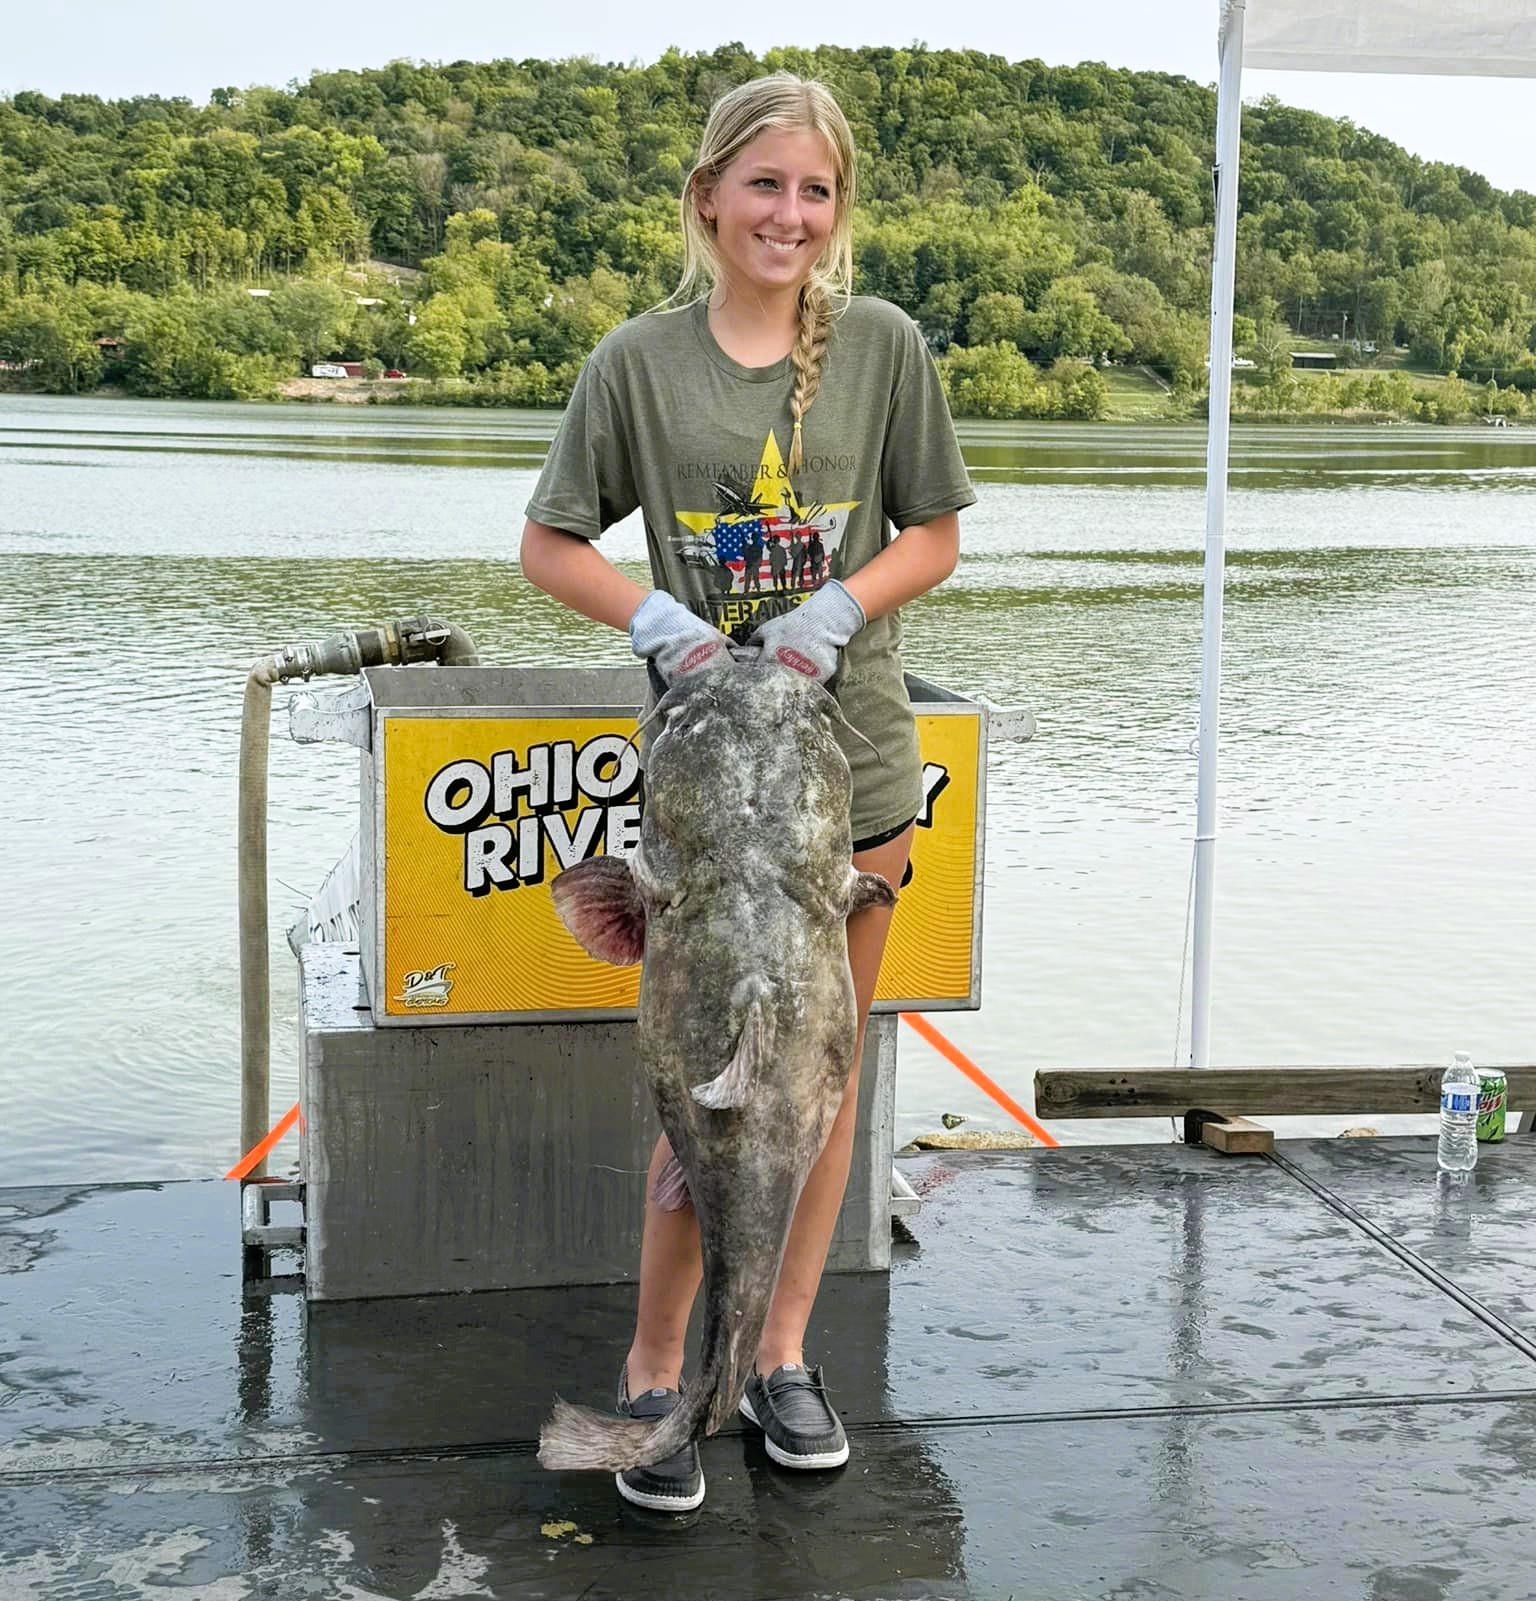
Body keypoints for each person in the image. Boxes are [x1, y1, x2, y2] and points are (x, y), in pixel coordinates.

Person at [520, 70, 975, 1514]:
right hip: (704, 810)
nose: (791, 214)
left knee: (820, 1089)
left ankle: (778, 1352)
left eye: (816, 191)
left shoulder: (886, 348)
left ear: (838, 212)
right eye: (765, 185)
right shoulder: (636, 364)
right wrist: (654, 617)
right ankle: (660, 1368)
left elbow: (939, 532)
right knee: (701, 1099)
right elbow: (549, 546)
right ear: (708, 195)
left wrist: (839, 605)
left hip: (857, 786)